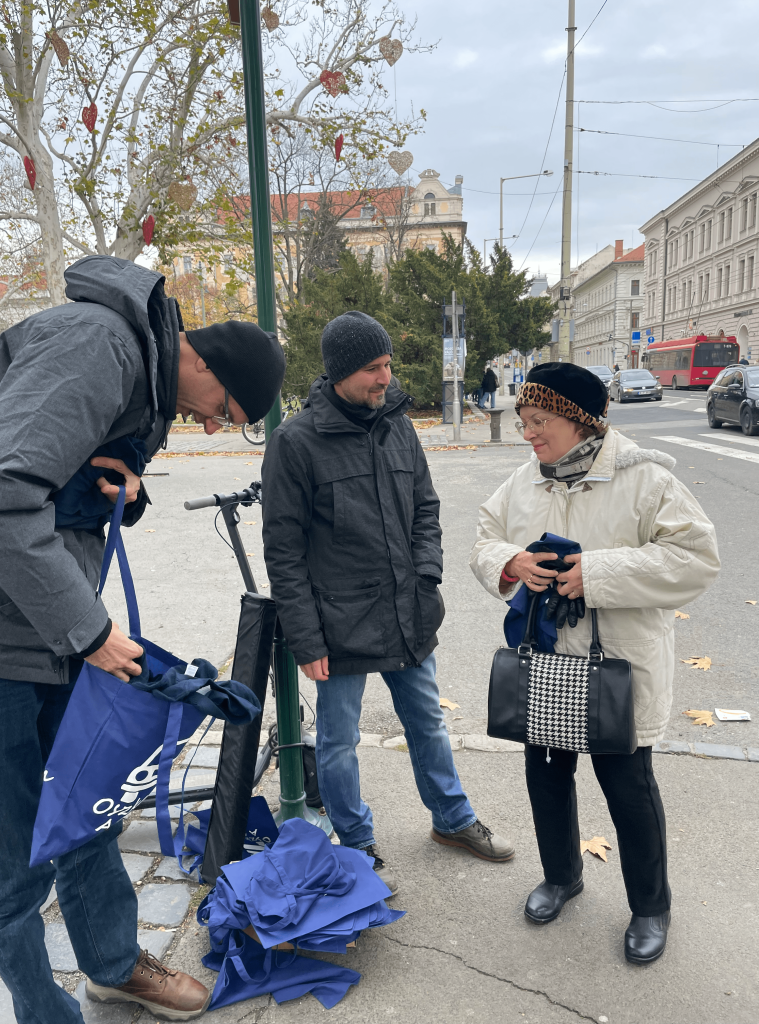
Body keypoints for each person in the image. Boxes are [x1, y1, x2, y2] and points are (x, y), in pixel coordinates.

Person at [0, 255, 285, 1023]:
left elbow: (53, 474)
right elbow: (0, 492)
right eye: (226, 410)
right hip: (4, 642)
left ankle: (114, 966)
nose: (213, 426)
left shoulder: (142, 376)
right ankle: (42, 1009)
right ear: (206, 364)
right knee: (13, 855)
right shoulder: (99, 345)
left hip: (44, 627)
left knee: (87, 805)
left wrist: (125, 487)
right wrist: (90, 633)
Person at [469, 362, 719, 965]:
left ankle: (650, 906)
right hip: (547, 663)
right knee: (546, 778)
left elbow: (696, 559)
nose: (528, 433)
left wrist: (599, 573)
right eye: (524, 421)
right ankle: (562, 876)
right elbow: (484, 537)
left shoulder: (646, 480)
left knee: (628, 789)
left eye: (539, 420)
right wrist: (510, 563)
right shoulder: (525, 481)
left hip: (618, 668)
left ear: (580, 420)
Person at [261, 310, 514, 894]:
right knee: (338, 744)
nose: (386, 377)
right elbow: (284, 552)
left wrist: (426, 576)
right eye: (374, 368)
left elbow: (426, 507)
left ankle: (452, 820)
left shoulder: (397, 424)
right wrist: (305, 638)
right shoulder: (295, 442)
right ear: (341, 372)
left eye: (388, 364)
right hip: (337, 624)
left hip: (407, 611)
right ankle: (355, 846)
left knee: (428, 722)